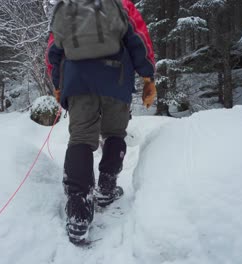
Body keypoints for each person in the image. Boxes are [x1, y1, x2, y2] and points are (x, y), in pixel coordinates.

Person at [45, 0, 156, 244]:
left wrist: (57, 85)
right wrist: (148, 75)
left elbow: (54, 51)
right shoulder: (121, 4)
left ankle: (78, 213)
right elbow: (138, 38)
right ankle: (106, 187)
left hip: (77, 82)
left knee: (81, 139)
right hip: (116, 77)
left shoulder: (66, 6)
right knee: (115, 133)